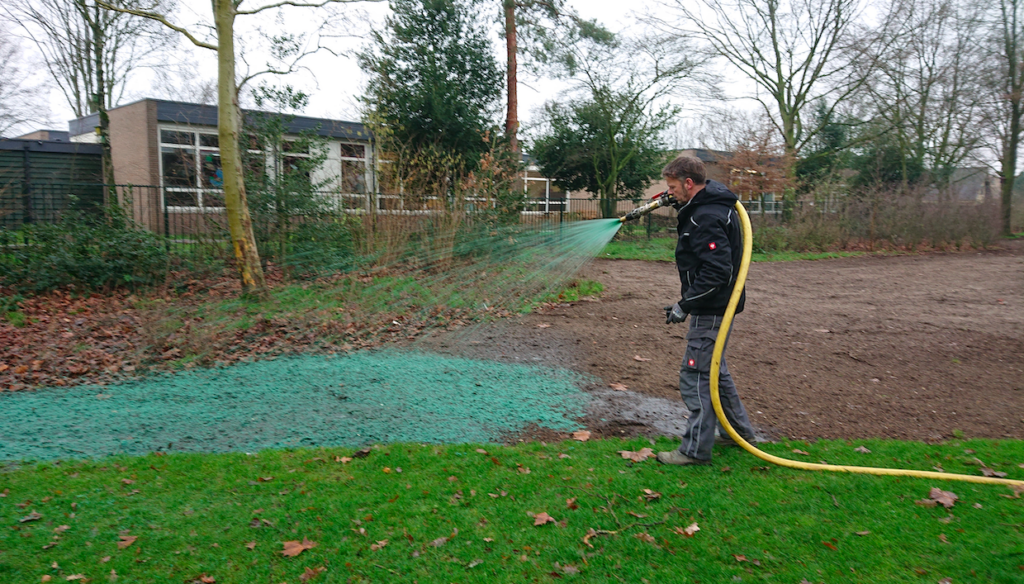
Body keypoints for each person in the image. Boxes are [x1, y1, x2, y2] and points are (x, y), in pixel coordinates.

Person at [656, 155, 758, 466]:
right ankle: (739, 432)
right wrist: (678, 203)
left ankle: (694, 451)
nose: (670, 191)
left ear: (689, 183)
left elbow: (717, 272)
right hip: (713, 304)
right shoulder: (707, 205)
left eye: (673, 187)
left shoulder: (707, 217)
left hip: (712, 306)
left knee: (697, 373)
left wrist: (685, 304)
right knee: (716, 370)